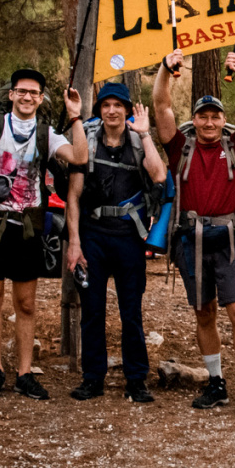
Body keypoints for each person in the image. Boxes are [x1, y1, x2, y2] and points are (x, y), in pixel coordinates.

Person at [0, 70, 87, 402]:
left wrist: (75, 117)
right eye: (21, 91)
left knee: (26, 305)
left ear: (41, 98)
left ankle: (25, 373)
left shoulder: (48, 134)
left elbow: (79, 157)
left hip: (28, 227)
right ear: (12, 94)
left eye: (34, 93)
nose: (28, 97)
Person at [152, 49, 235, 418]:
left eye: (215, 116)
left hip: (229, 237)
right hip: (190, 239)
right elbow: (160, 106)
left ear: (223, 120)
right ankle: (216, 384)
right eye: (203, 116)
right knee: (204, 312)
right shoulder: (179, 148)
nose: (209, 122)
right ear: (194, 120)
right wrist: (165, 72)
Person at [65, 83, 167, 403]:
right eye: (105, 105)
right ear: (99, 110)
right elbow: (74, 195)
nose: (111, 111)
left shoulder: (137, 142)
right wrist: (74, 243)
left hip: (128, 238)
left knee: (131, 312)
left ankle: (136, 379)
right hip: (93, 235)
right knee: (92, 311)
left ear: (126, 110)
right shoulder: (89, 142)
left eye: (117, 105)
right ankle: (92, 377)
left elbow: (159, 175)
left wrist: (147, 133)